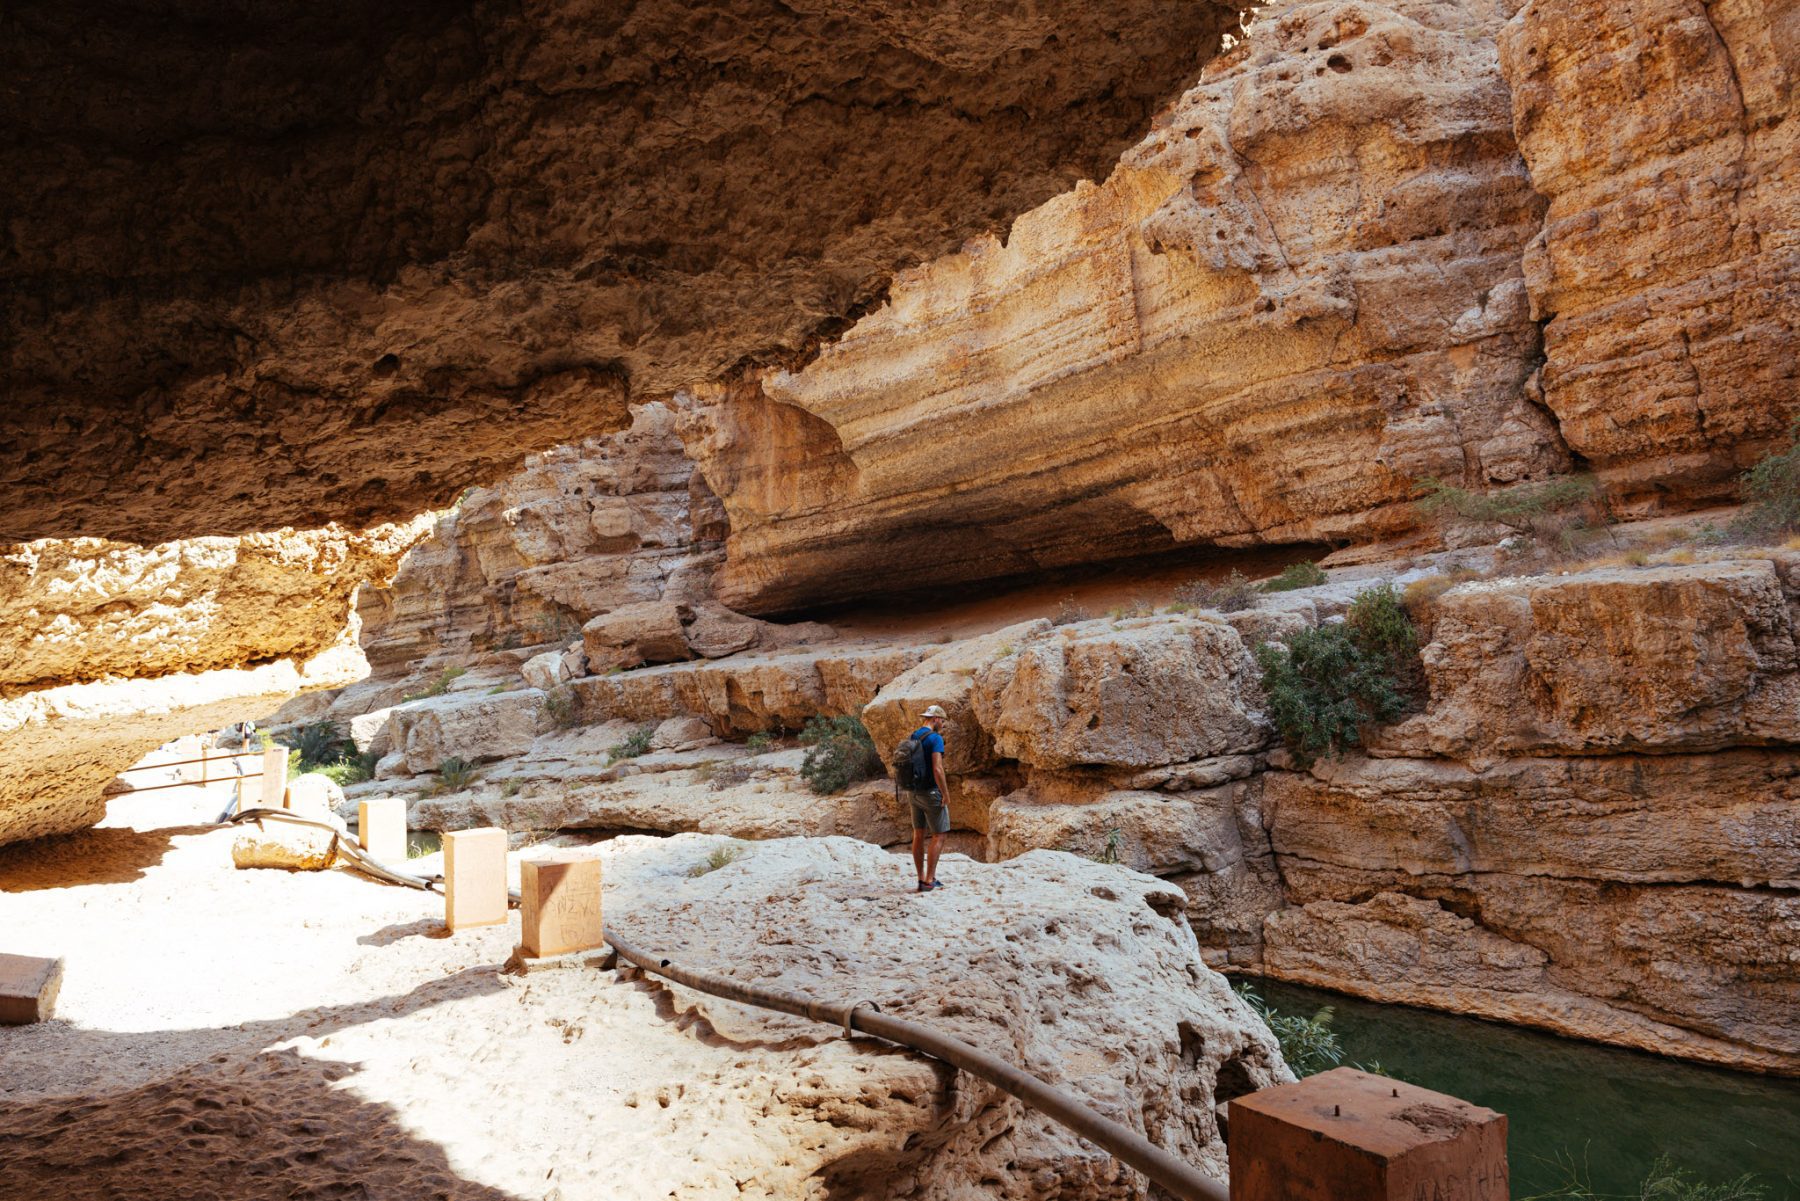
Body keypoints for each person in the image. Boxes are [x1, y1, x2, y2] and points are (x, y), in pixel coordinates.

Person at [907, 705, 951, 892]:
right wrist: (945, 793)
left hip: (913, 792)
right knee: (939, 835)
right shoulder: (935, 738)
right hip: (930, 792)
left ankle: (920, 879)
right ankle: (929, 879)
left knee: (918, 833)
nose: (943, 724)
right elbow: (937, 769)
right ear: (935, 719)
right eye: (942, 720)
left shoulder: (913, 736)